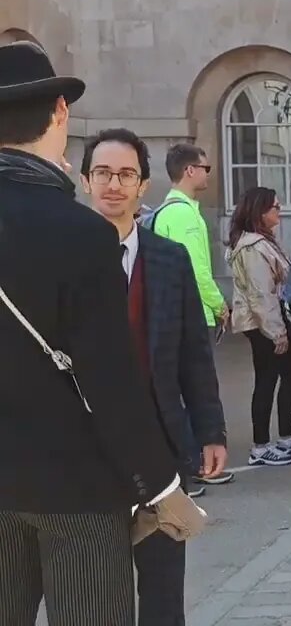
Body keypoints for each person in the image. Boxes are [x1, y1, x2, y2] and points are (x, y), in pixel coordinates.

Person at [0, 40, 193, 625]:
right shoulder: (83, 234)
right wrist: (161, 486)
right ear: (59, 113)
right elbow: (110, 380)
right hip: (77, 487)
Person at [81, 127, 229, 626]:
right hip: (85, 451)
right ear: (85, 181)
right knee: (97, 593)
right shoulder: (63, 260)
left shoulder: (169, 259)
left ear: (143, 185)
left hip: (160, 449)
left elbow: (193, 355)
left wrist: (210, 431)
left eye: (126, 174)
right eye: (103, 173)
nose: (113, 184)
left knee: (164, 591)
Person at [149, 142, 234, 492]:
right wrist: (218, 303)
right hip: (190, 314)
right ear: (189, 171)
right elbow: (198, 270)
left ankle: (190, 464)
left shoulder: (169, 211)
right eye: (206, 168)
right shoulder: (183, 215)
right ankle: (193, 465)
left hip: (173, 312)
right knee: (193, 389)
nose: (208, 174)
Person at [227, 186, 291, 467]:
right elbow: (261, 294)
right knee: (267, 379)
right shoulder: (253, 247)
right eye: (275, 206)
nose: (280, 209)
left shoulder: (263, 241)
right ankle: (261, 446)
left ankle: (285, 436)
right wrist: (276, 332)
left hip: (265, 318)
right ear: (260, 213)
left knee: (289, 373)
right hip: (260, 322)